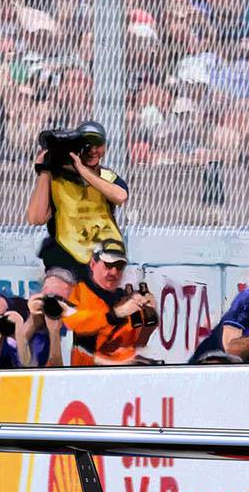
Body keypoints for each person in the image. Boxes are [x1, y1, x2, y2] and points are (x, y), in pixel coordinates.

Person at [25, 120, 129, 282]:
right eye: (86, 145)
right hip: (67, 254)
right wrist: (45, 171)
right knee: (56, 288)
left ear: (104, 147)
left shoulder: (106, 177)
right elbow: (36, 218)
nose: (92, 150)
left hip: (103, 256)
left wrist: (82, 170)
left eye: (97, 145)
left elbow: (121, 196)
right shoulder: (56, 179)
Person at [63, 240, 157, 366]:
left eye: (119, 266)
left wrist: (150, 320)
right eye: (108, 265)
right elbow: (78, 326)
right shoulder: (78, 293)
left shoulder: (124, 297)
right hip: (91, 372)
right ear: (93, 264)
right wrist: (115, 314)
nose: (114, 272)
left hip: (125, 371)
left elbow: (138, 343)